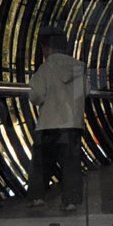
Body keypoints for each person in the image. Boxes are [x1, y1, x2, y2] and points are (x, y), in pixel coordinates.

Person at [26, 27, 87, 213]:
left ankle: (37, 197)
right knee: (71, 164)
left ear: (45, 48)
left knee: (41, 164)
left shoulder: (46, 68)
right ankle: (71, 201)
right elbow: (83, 93)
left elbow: (36, 96)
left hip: (49, 124)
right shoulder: (78, 68)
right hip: (73, 124)